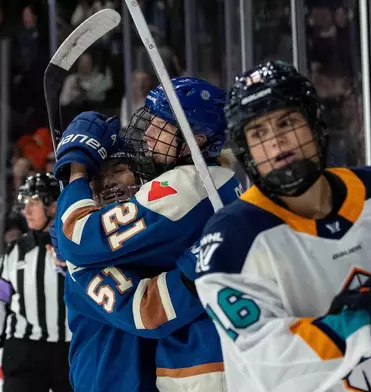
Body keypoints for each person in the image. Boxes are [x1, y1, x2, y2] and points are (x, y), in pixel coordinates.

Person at [194, 61, 371, 392]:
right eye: (258, 133)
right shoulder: (231, 242)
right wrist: (361, 324)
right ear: (245, 149)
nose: (276, 143)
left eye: (287, 122)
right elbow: (270, 360)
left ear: (314, 123)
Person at [51, 77, 242, 391]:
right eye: (99, 176)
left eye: (119, 169)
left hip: (207, 371)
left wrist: (77, 173)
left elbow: (79, 238)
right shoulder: (107, 250)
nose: (110, 182)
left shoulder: (184, 191)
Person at [0, 173, 72, 392]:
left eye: (33, 203)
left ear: (53, 207)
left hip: (71, 350)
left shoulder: (76, 246)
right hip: (25, 350)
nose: (26, 211)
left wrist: (68, 268)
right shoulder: (15, 251)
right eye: (25, 205)